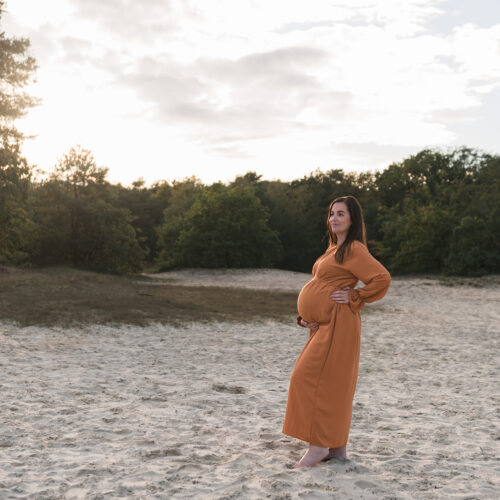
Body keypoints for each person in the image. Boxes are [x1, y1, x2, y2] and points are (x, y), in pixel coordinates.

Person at [282, 195, 391, 468]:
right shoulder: (334, 248)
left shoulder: (354, 248)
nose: (334, 219)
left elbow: (381, 278)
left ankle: (319, 446)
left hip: (340, 324)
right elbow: (321, 286)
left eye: (340, 214)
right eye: (331, 213)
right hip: (323, 326)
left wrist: (355, 297)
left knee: (309, 379)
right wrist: (308, 318)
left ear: (352, 219)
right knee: (332, 384)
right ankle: (337, 449)